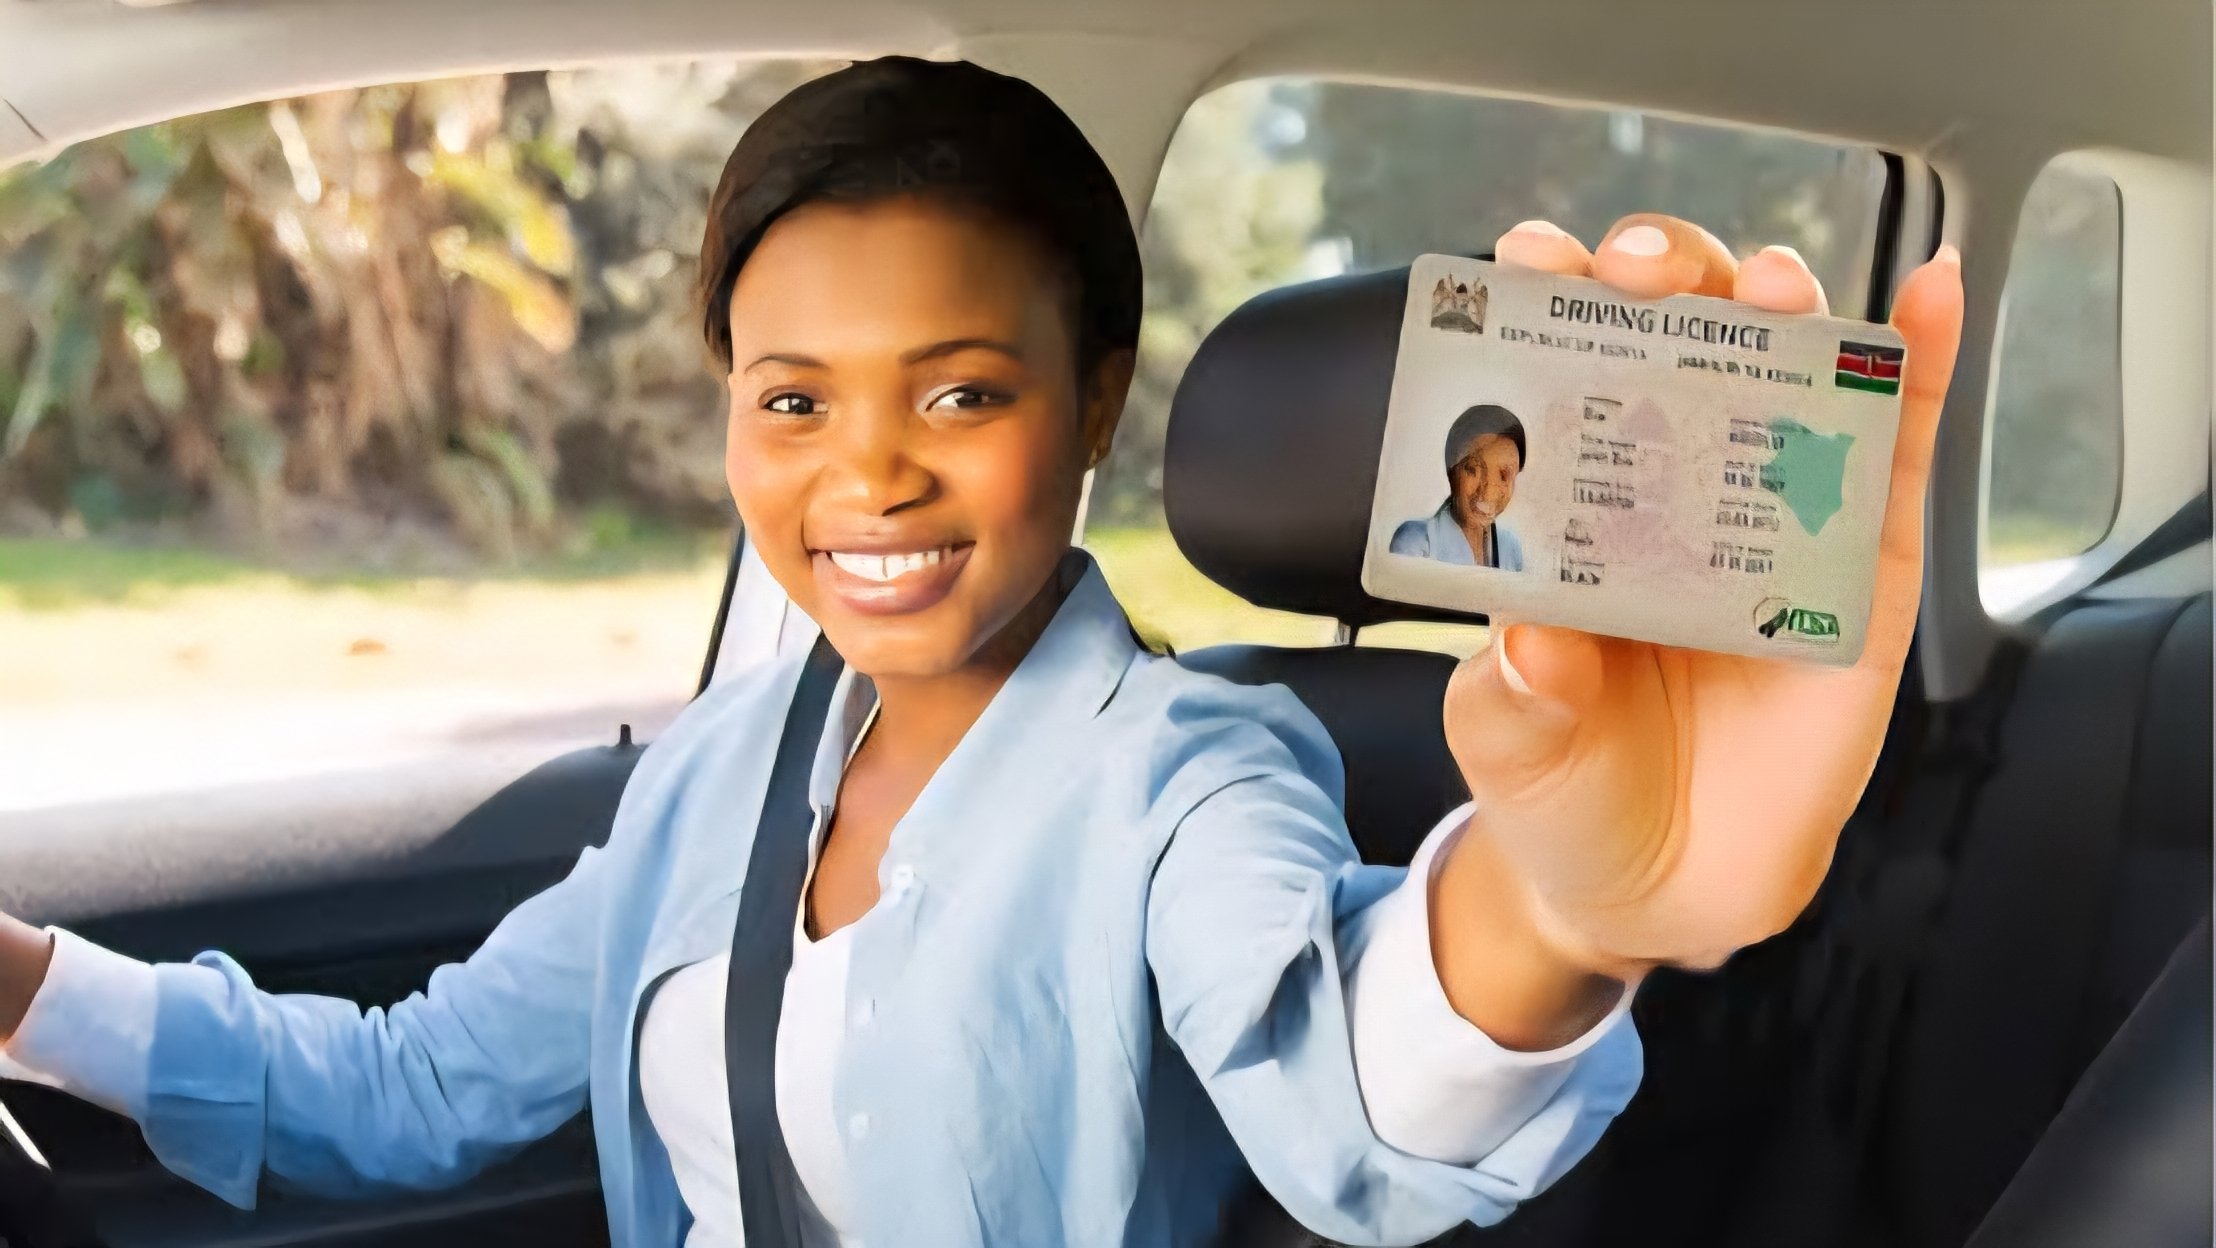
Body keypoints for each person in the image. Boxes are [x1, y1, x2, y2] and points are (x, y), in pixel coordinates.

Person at [0, 57, 1964, 1248]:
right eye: (789, 402)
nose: (862, 474)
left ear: (1095, 403)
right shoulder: (711, 777)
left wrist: (1560, 910)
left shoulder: (1186, 775)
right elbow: (410, 1089)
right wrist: (26, 991)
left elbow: (1340, 1083)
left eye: (955, 393)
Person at [1393, 404, 1528, 569]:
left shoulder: (1510, 548)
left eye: (1504, 476)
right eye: (1472, 469)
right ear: (1451, 470)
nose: (1488, 491)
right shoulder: (1416, 541)